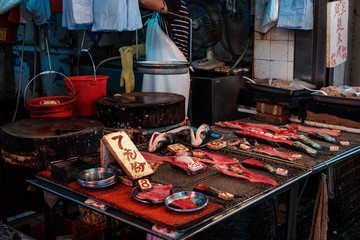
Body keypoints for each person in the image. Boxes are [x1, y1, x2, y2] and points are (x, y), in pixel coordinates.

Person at [120, 0, 191, 115]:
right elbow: (159, 44)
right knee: (151, 119)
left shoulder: (175, 3)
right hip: (153, 74)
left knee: (171, 123)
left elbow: (144, 1)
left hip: (173, 75)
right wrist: (135, 49)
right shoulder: (156, 13)